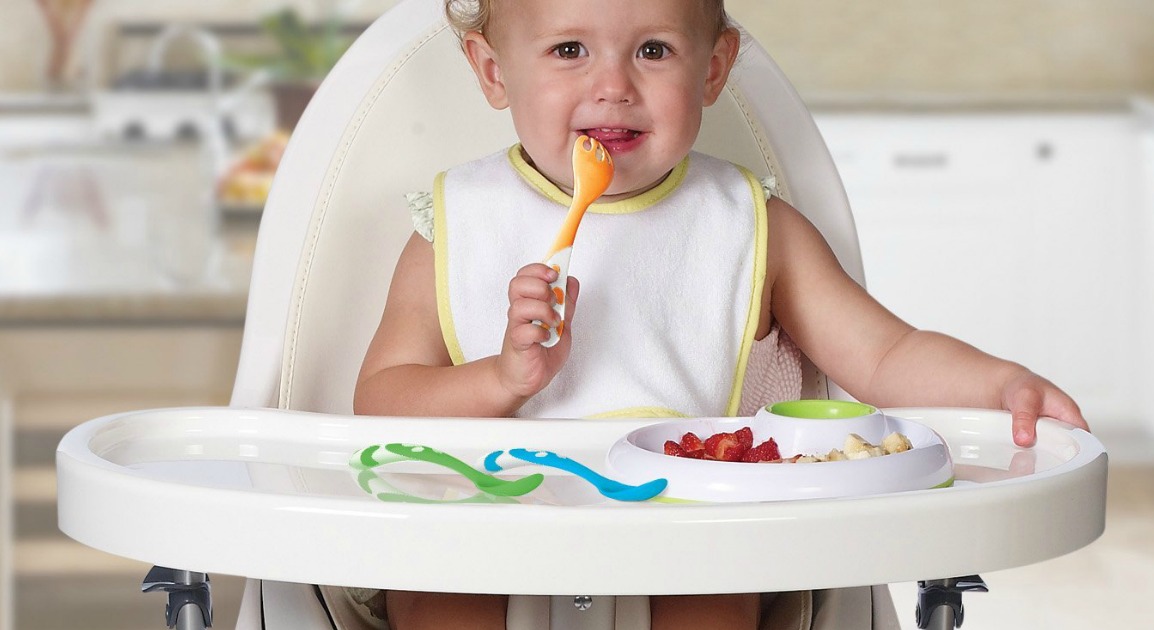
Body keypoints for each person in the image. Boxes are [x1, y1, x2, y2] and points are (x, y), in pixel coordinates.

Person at [354, 0, 1090, 628]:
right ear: (493, 71)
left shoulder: (753, 226)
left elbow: (885, 355)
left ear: (712, 68)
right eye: (569, 49)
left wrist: (997, 386)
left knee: (720, 586)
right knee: (431, 580)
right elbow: (381, 401)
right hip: (488, 513)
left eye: (653, 50)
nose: (613, 87)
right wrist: (501, 379)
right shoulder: (457, 224)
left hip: (696, 523)